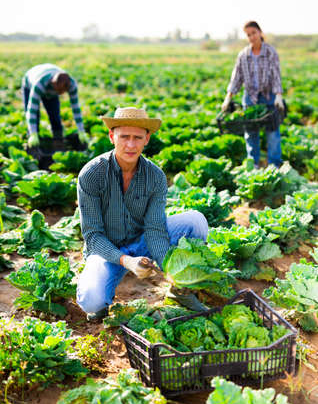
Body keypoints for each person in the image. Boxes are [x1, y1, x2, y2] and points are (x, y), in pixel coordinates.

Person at [76, 107, 209, 321]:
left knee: (195, 221)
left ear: (147, 139)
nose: (130, 144)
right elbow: (93, 236)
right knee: (91, 301)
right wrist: (127, 261)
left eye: (137, 138)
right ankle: (103, 297)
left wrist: (171, 270)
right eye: (124, 137)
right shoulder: (92, 174)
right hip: (106, 250)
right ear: (112, 136)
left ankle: (180, 290)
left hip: (142, 241)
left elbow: (155, 230)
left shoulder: (155, 176)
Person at [222, 21, 285, 168]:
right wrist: (228, 97)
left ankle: (274, 164)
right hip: (250, 98)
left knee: (272, 132)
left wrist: (278, 96)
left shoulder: (270, 52)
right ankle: (253, 164)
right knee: (251, 133)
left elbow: (276, 75)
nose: (251, 37)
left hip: (268, 97)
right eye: (248, 35)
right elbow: (237, 77)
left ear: (260, 32)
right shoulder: (243, 55)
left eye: (253, 33)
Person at [22, 63, 89, 149]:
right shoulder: (39, 85)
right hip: (29, 82)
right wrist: (33, 133)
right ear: (53, 84)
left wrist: (81, 130)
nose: (59, 94)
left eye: (62, 92)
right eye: (58, 91)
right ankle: (33, 144)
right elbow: (32, 110)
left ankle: (58, 143)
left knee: (55, 114)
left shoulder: (72, 85)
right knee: (36, 116)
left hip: (49, 81)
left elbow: (76, 109)